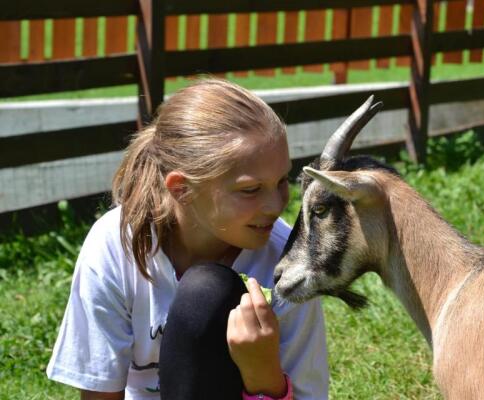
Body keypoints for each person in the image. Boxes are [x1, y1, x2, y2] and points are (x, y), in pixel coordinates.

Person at [46, 78, 329, 399]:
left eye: (281, 181)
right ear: (181, 189)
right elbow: (100, 392)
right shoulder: (116, 246)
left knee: (207, 291)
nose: (277, 205)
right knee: (205, 292)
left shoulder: (289, 263)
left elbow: (310, 393)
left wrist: (261, 371)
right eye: (250, 190)